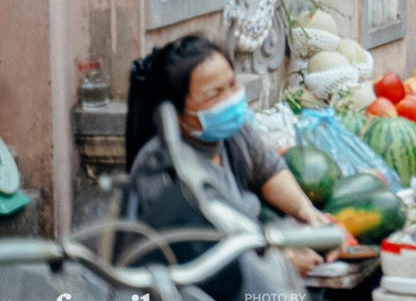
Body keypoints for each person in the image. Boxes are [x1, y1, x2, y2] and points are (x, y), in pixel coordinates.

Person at [126, 35, 341, 278]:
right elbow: (197, 253)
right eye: (215, 94)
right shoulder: (160, 166)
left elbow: (268, 170)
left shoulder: (234, 136)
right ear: (176, 114)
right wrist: (279, 261)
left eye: (232, 85)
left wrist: (307, 213)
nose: (231, 98)